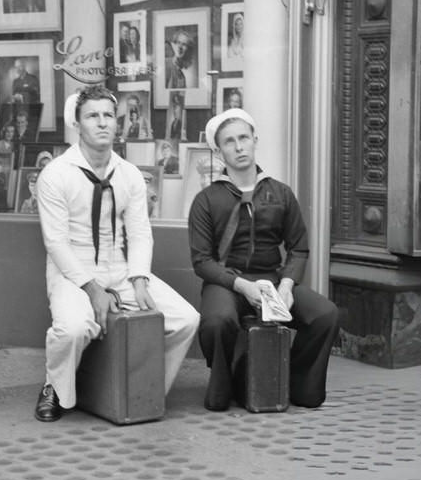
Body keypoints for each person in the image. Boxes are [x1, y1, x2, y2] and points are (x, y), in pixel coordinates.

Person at [33, 85, 199, 421]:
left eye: (108, 115)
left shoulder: (129, 174)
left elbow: (139, 233)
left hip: (121, 268)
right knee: (74, 328)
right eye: (93, 116)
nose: (103, 123)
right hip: (72, 272)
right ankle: (55, 387)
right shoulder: (56, 174)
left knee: (184, 319)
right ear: (77, 124)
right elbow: (55, 242)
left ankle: (145, 389)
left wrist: (139, 280)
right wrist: (92, 289)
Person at [187, 109, 340, 411]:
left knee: (325, 315)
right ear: (219, 151)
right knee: (218, 321)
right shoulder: (206, 200)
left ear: (255, 140)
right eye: (229, 141)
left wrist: (285, 285)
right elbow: (202, 261)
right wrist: (242, 285)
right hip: (228, 281)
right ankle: (226, 382)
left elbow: (298, 247)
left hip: (271, 279)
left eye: (244, 137)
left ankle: (292, 380)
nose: (239, 146)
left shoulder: (280, 193)